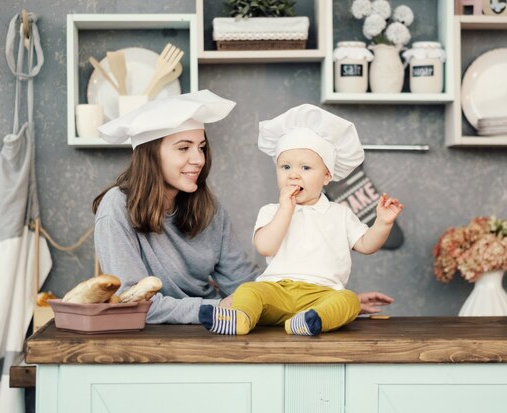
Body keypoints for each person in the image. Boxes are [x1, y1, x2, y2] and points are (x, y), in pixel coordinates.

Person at [92, 91, 394, 324]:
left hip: (219, 327)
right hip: (185, 329)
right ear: (150, 154)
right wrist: (215, 309)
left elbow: (244, 282)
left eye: (201, 147)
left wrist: (320, 298)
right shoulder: (116, 208)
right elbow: (131, 303)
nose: (198, 159)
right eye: (184, 148)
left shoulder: (207, 208)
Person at [199, 104, 403, 336]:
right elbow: (266, 247)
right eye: (285, 167)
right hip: (277, 291)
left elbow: (367, 245)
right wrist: (285, 210)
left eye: (305, 167)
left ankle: (309, 321)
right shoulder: (271, 210)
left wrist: (383, 223)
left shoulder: (340, 213)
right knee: (248, 291)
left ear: (327, 176)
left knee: (348, 301)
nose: (293, 175)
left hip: (322, 293)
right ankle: (239, 319)